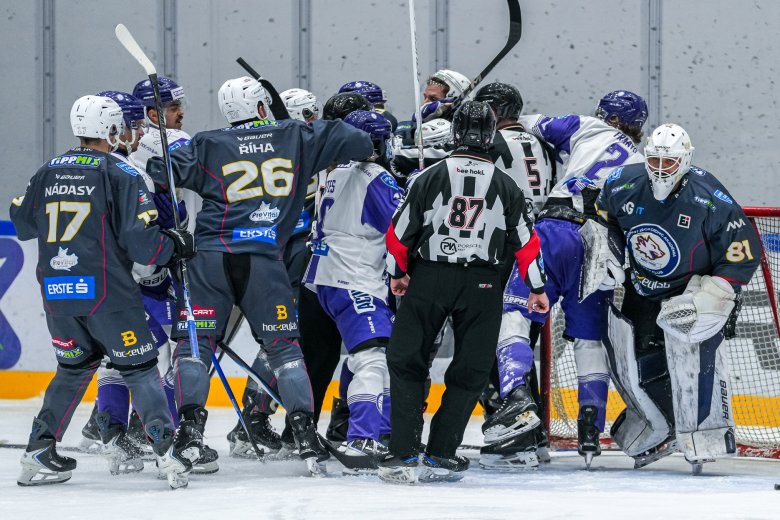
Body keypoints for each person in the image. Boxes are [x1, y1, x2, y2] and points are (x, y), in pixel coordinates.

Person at [145, 76, 373, 476]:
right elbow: (360, 141)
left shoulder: (208, 142)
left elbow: (159, 174)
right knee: (284, 349)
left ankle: (190, 434)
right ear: (263, 107)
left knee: (195, 346)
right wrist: (295, 129)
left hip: (210, 256)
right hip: (265, 257)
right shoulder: (295, 135)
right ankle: (305, 437)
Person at [11, 95, 194, 488]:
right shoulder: (120, 172)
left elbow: (22, 222)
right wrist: (174, 245)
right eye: (123, 127)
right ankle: (166, 452)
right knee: (140, 368)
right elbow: (142, 245)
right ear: (111, 130)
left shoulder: (46, 170)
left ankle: (39, 448)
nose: (128, 133)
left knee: (73, 369)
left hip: (58, 292)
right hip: (109, 294)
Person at [378, 101, 549, 484]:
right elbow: (527, 243)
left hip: (429, 278)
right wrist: (537, 288)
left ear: (455, 133)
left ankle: (403, 453)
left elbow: (398, 235)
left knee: (406, 361)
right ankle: (441, 453)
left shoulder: (428, 176)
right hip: (483, 285)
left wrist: (398, 274)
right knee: (471, 370)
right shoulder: (507, 184)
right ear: (491, 136)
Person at [490, 90, 648, 467]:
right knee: (589, 340)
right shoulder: (643, 166)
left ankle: (516, 400)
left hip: (554, 231)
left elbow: (524, 124)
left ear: (607, 116)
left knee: (515, 315)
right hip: (602, 246)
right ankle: (590, 428)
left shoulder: (589, 126)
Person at [595, 123, 760, 473]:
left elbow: (743, 249)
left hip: (692, 293)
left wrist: (718, 291)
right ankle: (658, 426)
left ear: (685, 160)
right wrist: (608, 252)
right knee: (632, 361)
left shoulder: (709, 195)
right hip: (642, 287)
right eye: (654, 160)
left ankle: (706, 437)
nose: (659, 169)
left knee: (694, 365)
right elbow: (603, 219)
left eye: (668, 162)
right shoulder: (621, 183)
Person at [302, 109, 402, 471]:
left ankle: (378, 430)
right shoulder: (375, 177)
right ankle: (362, 437)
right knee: (373, 357)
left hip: (323, 279)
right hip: (355, 280)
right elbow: (402, 226)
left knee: (369, 354)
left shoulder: (332, 173)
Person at [470, 82, 556, 470]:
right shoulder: (542, 144)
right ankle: (534, 438)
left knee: (492, 341)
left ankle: (514, 438)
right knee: (518, 343)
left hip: (503, 246)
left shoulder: (493, 143)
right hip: (538, 245)